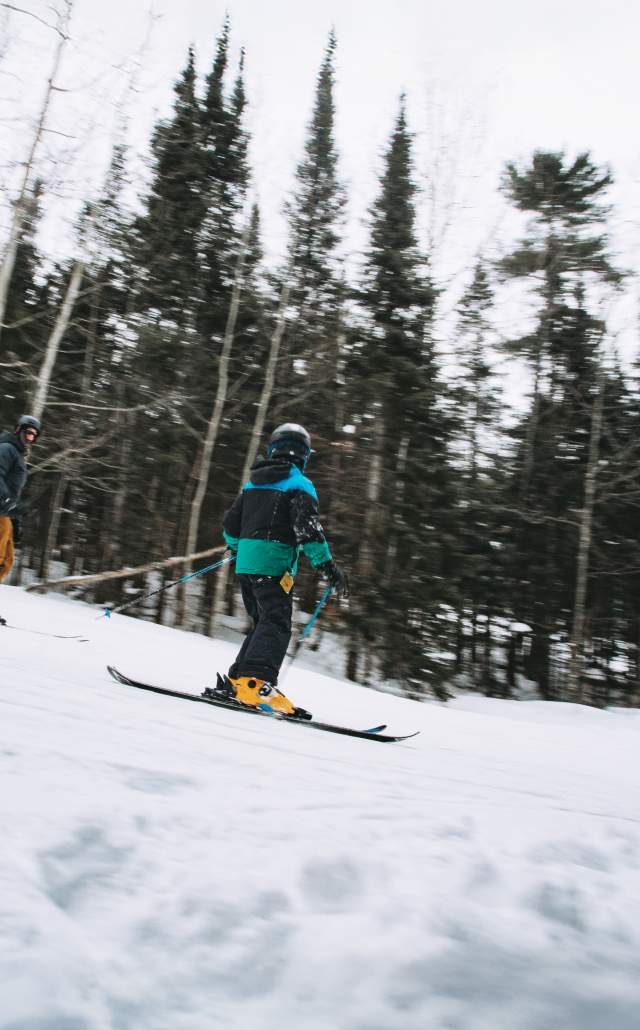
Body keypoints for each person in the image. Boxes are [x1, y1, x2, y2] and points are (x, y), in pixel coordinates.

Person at [209, 423, 348, 718]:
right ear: (304, 456)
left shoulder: (252, 484)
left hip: (247, 565)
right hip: (273, 565)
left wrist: (237, 548)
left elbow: (231, 525)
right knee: (276, 623)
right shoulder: (299, 485)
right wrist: (327, 566)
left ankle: (238, 681)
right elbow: (308, 530)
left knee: (263, 622)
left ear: (272, 450)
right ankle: (255, 683)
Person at [0, 415, 42, 623]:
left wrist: (16, 521)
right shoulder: (7, 449)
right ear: (18, 430)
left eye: (34, 435)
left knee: (7, 561)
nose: (30, 438)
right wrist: (6, 499)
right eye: (27, 432)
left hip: (4, 514)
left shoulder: (18, 454)